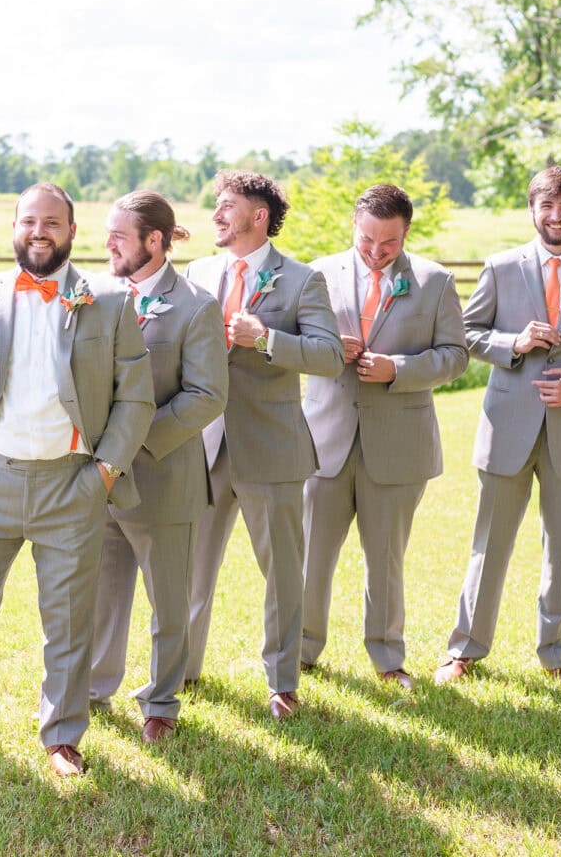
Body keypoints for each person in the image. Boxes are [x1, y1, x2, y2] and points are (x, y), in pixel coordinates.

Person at [0, 182, 154, 777]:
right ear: (15, 227)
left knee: (71, 617)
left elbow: (136, 399)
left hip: (72, 484)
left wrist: (103, 473)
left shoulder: (110, 301)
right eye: (29, 221)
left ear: (72, 232)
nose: (39, 231)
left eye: (52, 222)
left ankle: (63, 736)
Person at [435, 165, 561, 687]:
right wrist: (513, 344)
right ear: (532, 210)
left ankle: (556, 655)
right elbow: (468, 334)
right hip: (508, 427)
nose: (556, 216)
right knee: (489, 544)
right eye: (546, 207)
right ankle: (465, 651)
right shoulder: (502, 267)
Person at [183, 169, 343, 718]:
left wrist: (268, 338)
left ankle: (281, 681)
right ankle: (180, 670)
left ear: (257, 215)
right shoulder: (198, 271)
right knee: (188, 566)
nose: (216, 215)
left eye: (226, 205)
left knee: (280, 570)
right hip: (200, 443)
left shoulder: (302, 280)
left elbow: (328, 355)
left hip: (271, 446)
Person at [300, 185, 467, 688]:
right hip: (323, 439)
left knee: (387, 561)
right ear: (354, 225)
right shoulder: (317, 273)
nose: (375, 252)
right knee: (309, 556)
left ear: (406, 233)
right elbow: (293, 340)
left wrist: (399, 368)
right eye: (367, 240)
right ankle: (300, 652)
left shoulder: (435, 282)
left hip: (397, 444)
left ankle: (388, 659)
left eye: (388, 243)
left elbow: (456, 356)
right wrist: (328, 346)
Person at [89, 190, 227, 742]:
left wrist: (132, 438)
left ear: (154, 240)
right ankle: (95, 688)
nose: (108, 245)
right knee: (100, 592)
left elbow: (207, 395)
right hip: (98, 478)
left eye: (118, 236)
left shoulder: (196, 306)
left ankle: (162, 702)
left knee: (169, 601)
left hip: (163, 475)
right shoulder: (94, 298)